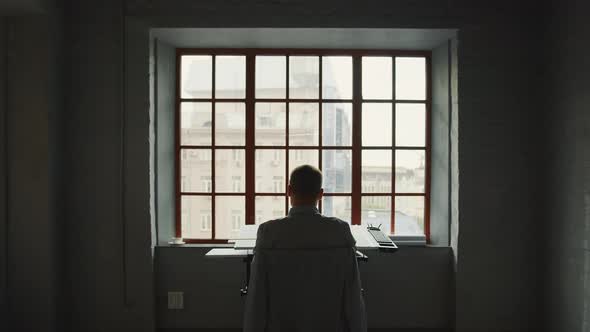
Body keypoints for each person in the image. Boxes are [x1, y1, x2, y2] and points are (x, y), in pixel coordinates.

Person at [244, 165, 367, 332]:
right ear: (321, 194)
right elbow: (352, 297)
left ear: (289, 190)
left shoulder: (269, 232)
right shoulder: (339, 230)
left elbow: (257, 296)